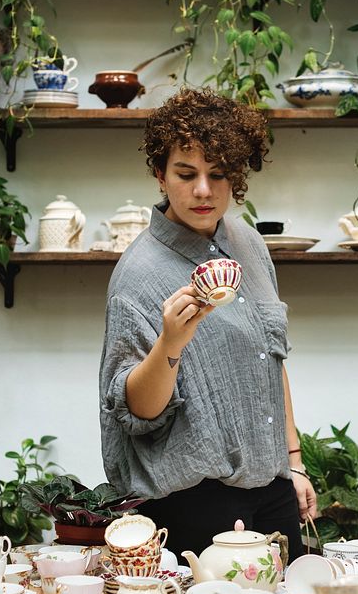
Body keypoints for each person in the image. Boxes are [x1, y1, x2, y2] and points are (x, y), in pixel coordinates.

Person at [99, 88, 317, 562]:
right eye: (186, 173)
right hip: (195, 499)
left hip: (273, 484)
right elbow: (138, 411)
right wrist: (171, 342)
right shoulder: (138, 276)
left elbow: (270, 359)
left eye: (218, 174)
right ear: (160, 174)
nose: (203, 190)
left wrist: (294, 463)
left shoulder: (250, 245)